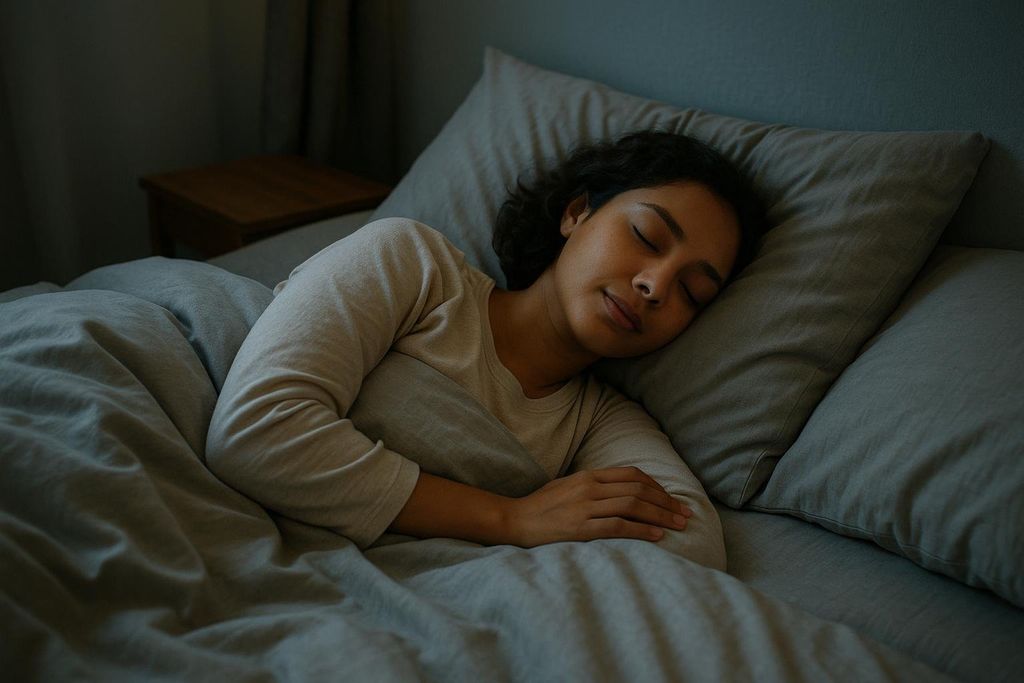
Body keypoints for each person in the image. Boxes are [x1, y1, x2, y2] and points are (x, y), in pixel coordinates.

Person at [205, 130, 763, 572]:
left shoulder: (597, 424)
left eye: (692, 292)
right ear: (576, 214)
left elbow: (691, 548)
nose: (656, 286)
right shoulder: (415, 265)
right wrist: (509, 519)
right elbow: (254, 434)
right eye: (645, 236)